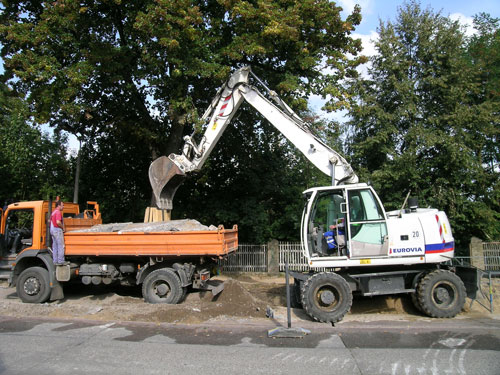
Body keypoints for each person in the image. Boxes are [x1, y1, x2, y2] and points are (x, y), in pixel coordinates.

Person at [50, 199, 66, 265]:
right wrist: (63, 227)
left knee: (55, 246)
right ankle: (61, 261)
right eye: (62, 205)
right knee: (61, 246)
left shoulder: (53, 212)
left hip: (52, 230)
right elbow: (58, 222)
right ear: (58, 205)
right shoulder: (58, 212)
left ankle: (55, 261)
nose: (63, 207)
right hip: (57, 230)